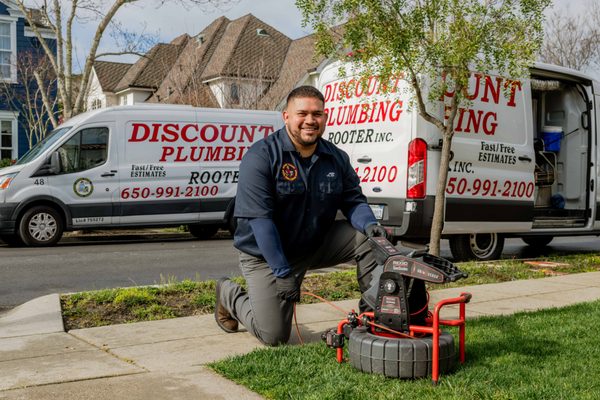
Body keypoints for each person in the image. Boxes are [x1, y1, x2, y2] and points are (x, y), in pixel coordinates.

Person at [214, 86, 389, 346]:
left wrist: (370, 224)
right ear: (286, 116)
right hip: (266, 255)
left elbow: (354, 201)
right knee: (273, 335)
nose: (310, 120)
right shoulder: (261, 156)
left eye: (317, 114)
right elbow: (261, 222)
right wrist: (282, 272)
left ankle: (373, 316)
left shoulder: (336, 158)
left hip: (313, 244)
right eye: (302, 113)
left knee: (369, 240)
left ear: (325, 118)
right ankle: (228, 293)